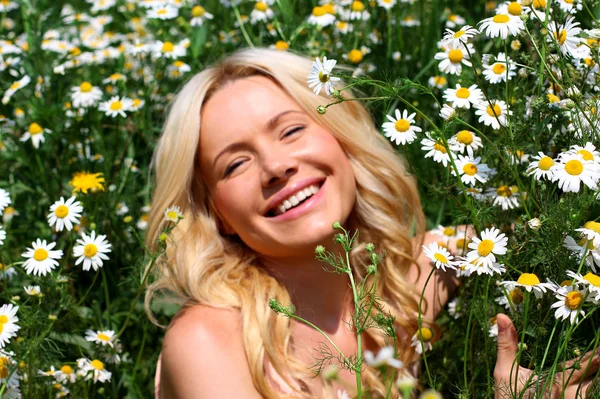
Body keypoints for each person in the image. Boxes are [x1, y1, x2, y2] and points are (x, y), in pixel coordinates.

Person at [145, 48, 599, 398]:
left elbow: (527, 239)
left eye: (290, 130)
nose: (275, 166)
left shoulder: (403, 284)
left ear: (341, 140)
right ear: (217, 214)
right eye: (235, 164)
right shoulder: (209, 341)